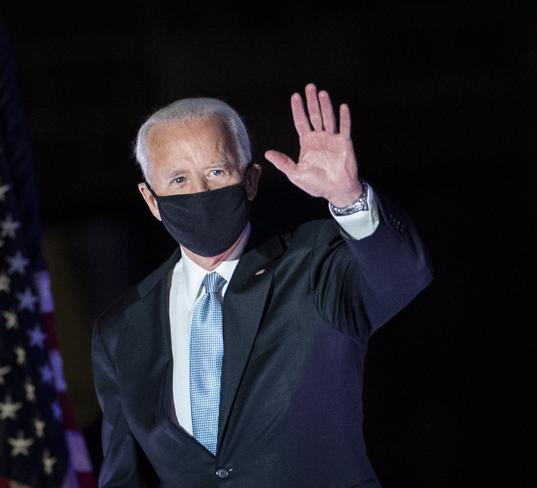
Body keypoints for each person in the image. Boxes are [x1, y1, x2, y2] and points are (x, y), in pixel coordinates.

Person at [91, 82, 432, 487]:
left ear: (250, 180)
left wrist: (348, 197)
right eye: (179, 180)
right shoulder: (121, 329)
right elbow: (124, 475)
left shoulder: (312, 264)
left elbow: (401, 277)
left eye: (216, 172)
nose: (199, 192)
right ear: (151, 200)